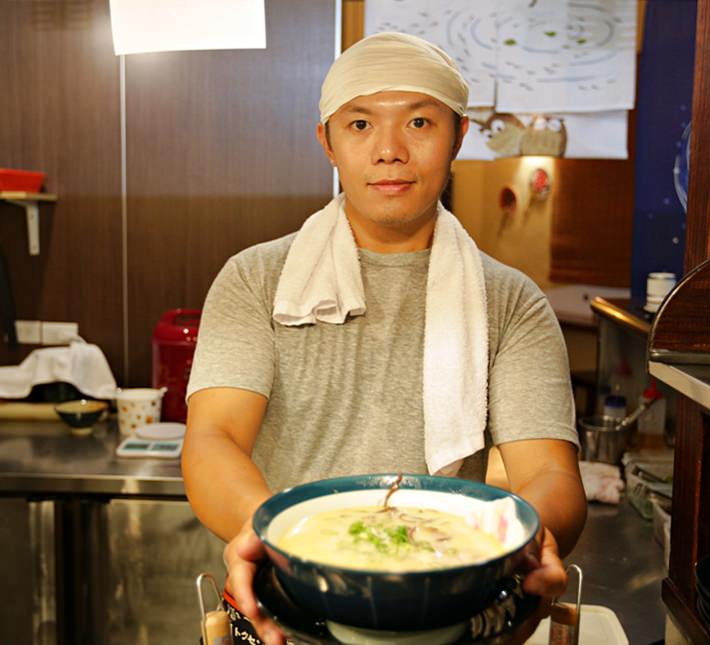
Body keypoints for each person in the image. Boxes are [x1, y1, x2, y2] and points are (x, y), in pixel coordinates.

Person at [182, 32, 587, 645]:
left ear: (458, 137)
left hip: (446, 609)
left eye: (420, 122)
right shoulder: (255, 280)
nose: (390, 151)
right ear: (328, 141)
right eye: (362, 124)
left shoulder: (510, 300)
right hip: (281, 609)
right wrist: (272, 534)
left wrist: (526, 539)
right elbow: (213, 437)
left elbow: (551, 474)